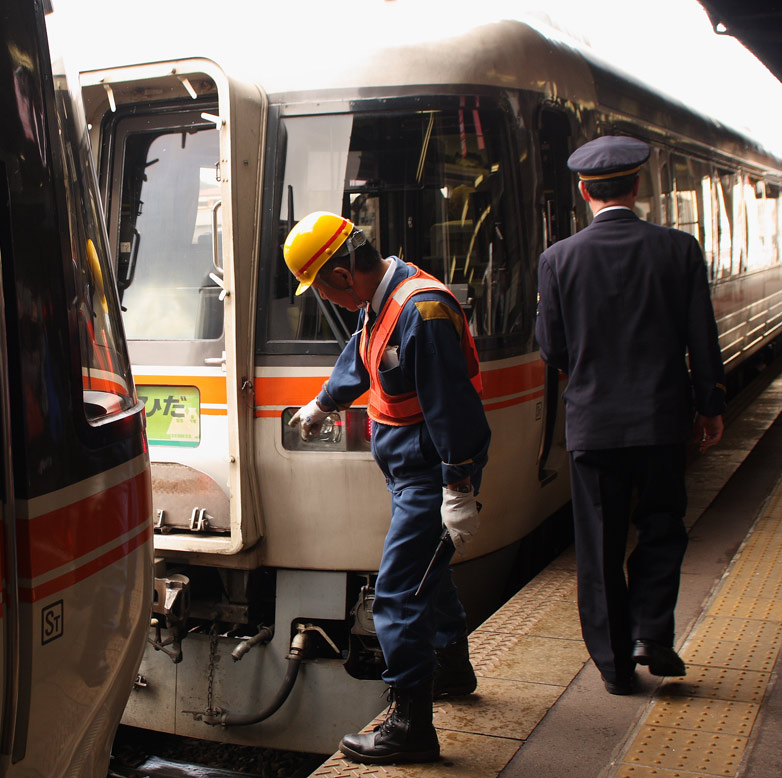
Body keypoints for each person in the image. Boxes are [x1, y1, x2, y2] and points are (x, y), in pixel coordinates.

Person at [285, 212, 490, 764]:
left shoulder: (422, 310)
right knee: (429, 574)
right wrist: (323, 403)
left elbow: (452, 409)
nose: (326, 299)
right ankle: (451, 668)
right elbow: (365, 355)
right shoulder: (382, 299)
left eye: (322, 289)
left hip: (432, 476)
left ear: (343, 274)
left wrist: (458, 488)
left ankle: (409, 727)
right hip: (408, 473)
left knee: (400, 591)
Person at [535, 135, 725, 696]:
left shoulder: (558, 259)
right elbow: (702, 337)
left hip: (593, 427)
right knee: (663, 525)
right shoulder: (679, 249)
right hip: (662, 421)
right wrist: (710, 405)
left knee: (598, 544)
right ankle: (652, 634)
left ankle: (615, 668)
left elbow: (553, 349)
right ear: (637, 185)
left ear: (583, 191)